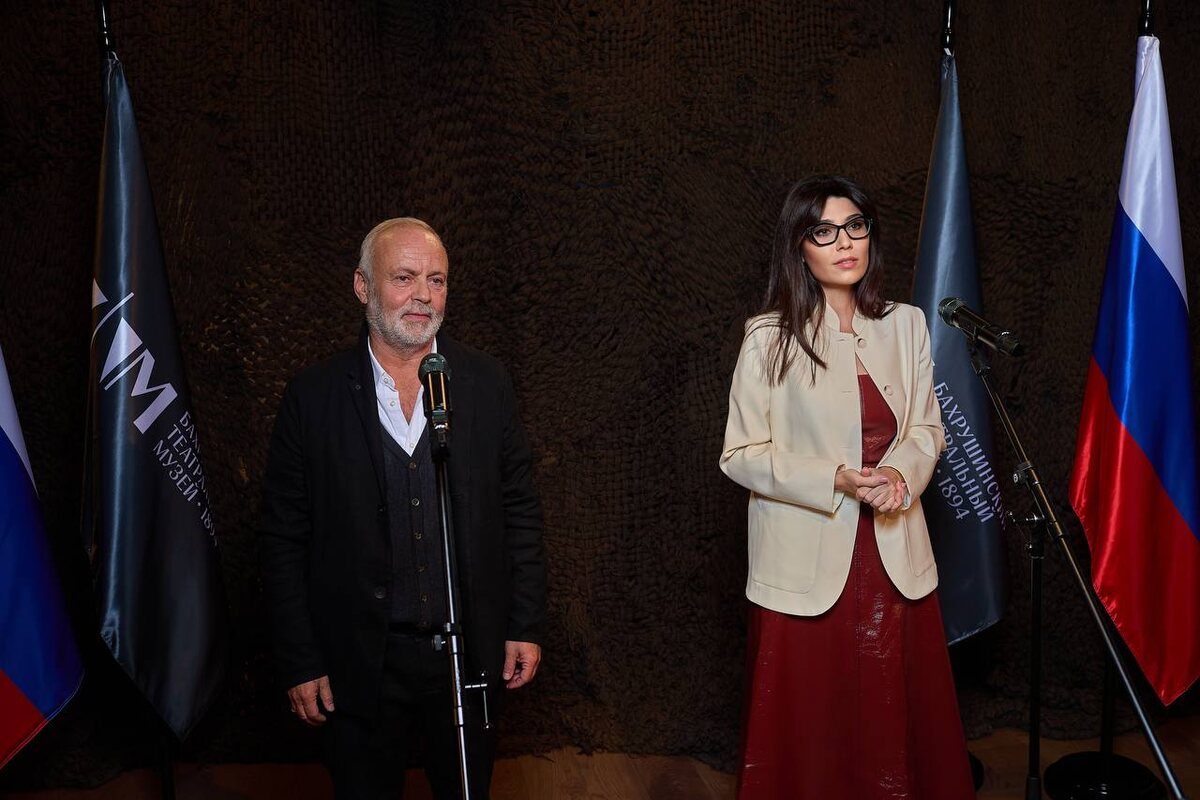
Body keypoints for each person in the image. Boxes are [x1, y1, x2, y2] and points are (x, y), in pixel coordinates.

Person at [258, 218, 546, 799]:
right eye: (404, 278)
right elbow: (282, 539)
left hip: (465, 656)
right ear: (362, 286)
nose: (423, 296)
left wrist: (524, 623)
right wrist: (301, 658)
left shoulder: (485, 383)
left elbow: (519, 510)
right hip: (358, 664)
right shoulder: (312, 398)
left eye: (436, 280)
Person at [719, 176, 975, 799]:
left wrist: (899, 475)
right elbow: (740, 456)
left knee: (895, 718)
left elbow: (926, 429)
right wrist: (832, 478)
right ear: (799, 246)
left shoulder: (907, 325)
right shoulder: (768, 337)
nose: (844, 243)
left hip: (894, 554)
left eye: (855, 226)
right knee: (810, 724)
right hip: (803, 561)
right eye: (824, 231)